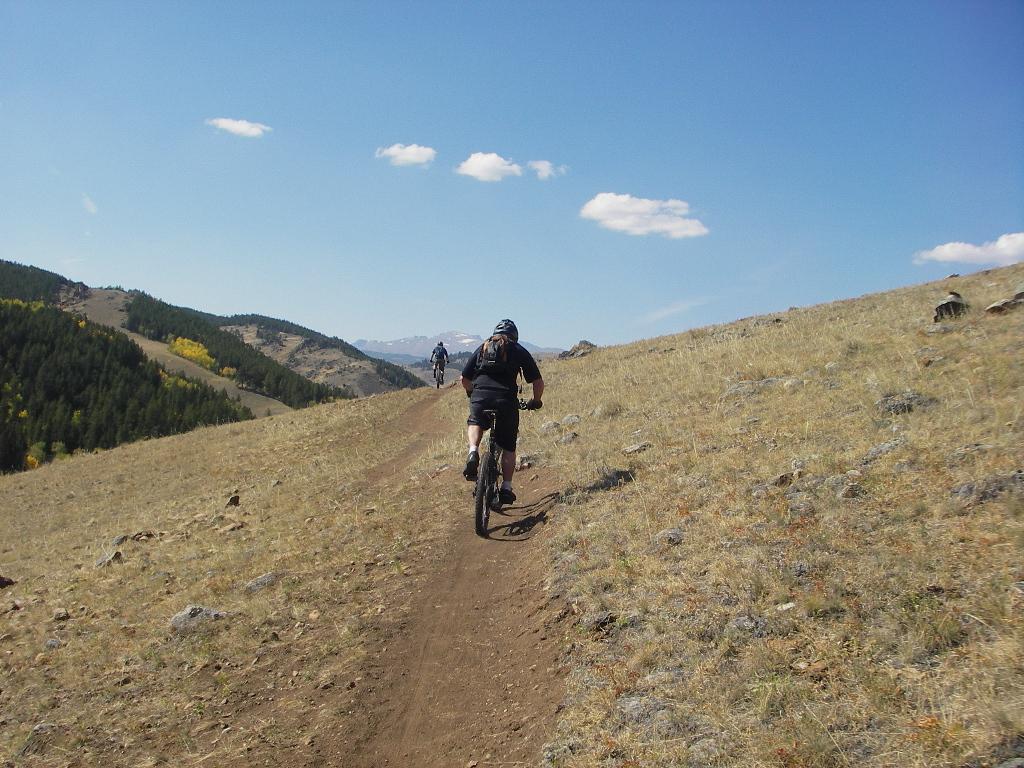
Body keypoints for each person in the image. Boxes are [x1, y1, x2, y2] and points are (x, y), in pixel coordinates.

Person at [461, 319, 544, 505]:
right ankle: (506, 487)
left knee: (475, 422)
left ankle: (473, 451)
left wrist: (472, 393)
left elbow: (464, 378)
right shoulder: (518, 349)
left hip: (480, 396)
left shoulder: (483, 347)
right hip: (506, 400)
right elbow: (538, 382)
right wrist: (536, 401)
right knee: (508, 446)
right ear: (514, 336)